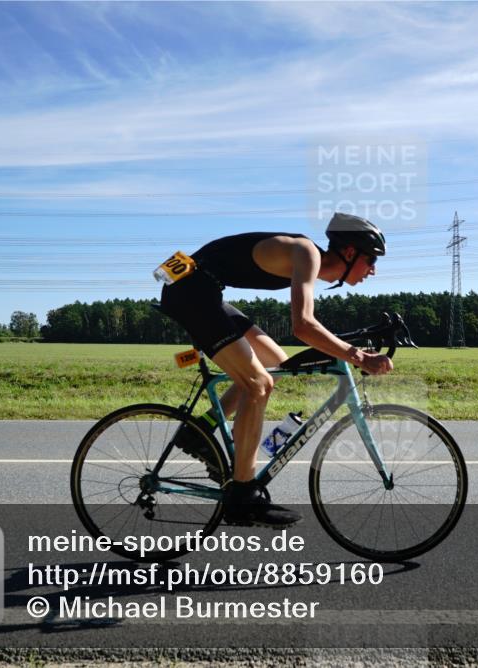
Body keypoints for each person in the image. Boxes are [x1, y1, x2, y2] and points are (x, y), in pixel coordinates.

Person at [159, 212, 394, 528]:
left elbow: (308, 327)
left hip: (199, 287)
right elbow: (304, 325)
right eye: (371, 260)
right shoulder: (307, 252)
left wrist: (351, 349)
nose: (374, 270)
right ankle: (244, 496)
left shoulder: (306, 257)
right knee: (259, 383)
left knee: (275, 363)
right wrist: (358, 357)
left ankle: (200, 430)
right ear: (350, 253)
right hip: (191, 289)